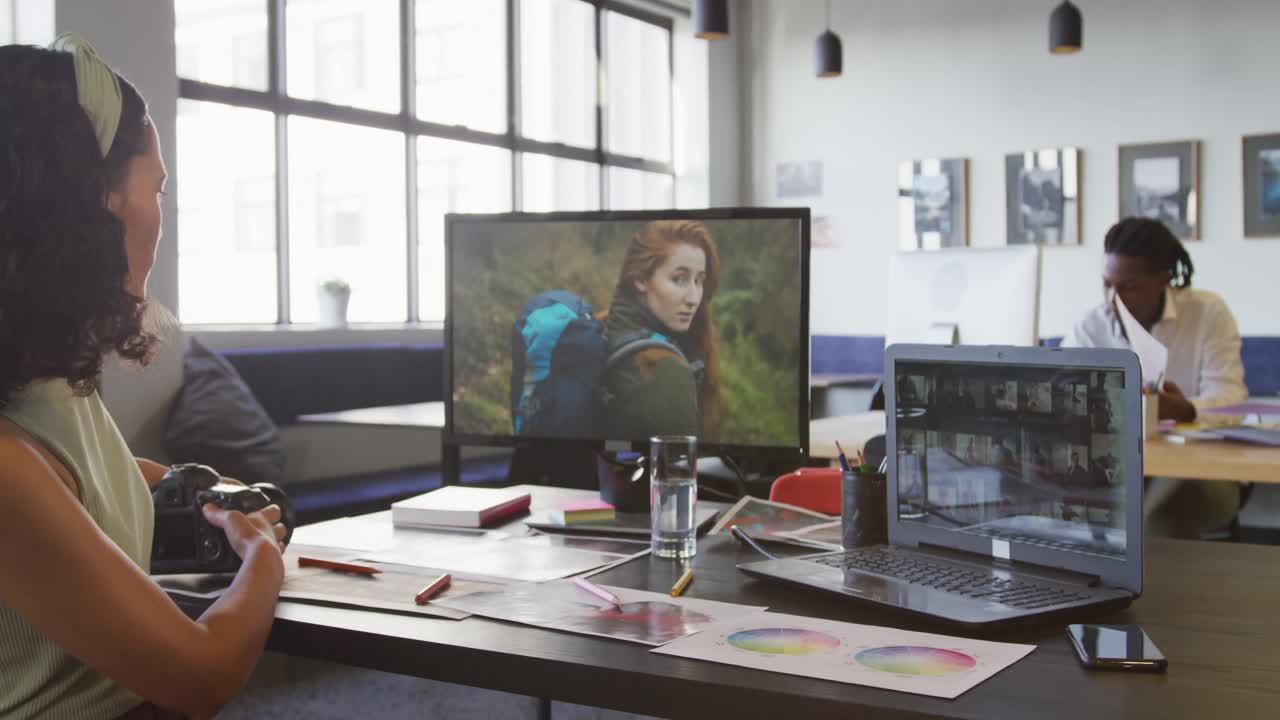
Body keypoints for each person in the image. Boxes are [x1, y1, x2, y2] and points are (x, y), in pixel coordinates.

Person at [0, 38, 287, 719]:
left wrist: (168, 478)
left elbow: (67, 475)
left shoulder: (49, 384)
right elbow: (201, 676)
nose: (161, 216)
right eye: (156, 189)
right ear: (94, 206)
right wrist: (262, 557)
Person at [1065, 217, 1249, 538]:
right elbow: (1063, 396)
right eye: (1107, 285)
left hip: (1199, 466)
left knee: (1151, 530)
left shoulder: (1208, 314)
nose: (1113, 300)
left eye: (1128, 287)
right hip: (1120, 463)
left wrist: (1185, 410)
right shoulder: (1091, 327)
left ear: (1163, 279)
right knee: (1072, 521)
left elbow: (1232, 401)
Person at [601, 220, 722, 442]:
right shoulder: (666, 370)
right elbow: (677, 473)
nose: (694, 298)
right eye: (679, 279)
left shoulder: (604, 327)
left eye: (699, 280)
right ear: (640, 279)